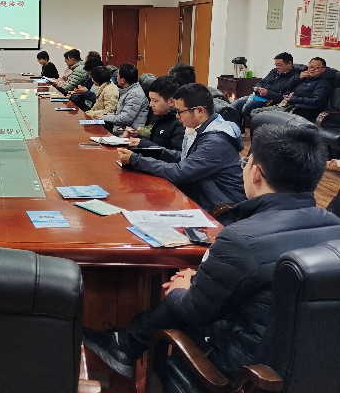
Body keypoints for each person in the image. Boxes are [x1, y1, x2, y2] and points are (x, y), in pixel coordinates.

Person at [84, 124, 340, 381]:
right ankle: (124, 344)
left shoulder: (241, 238)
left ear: (256, 174)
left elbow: (193, 310)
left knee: (183, 297)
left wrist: (182, 289)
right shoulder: (334, 226)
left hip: (243, 373)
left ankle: (125, 347)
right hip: (314, 368)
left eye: (245, 163)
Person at [118, 83, 246, 210]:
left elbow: (179, 173)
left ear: (200, 111)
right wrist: (148, 152)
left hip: (217, 206)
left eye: (180, 112)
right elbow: (186, 157)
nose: (177, 116)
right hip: (201, 195)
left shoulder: (215, 142)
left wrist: (136, 160)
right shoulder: (203, 128)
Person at [125, 76, 185, 159]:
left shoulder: (181, 123)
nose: (151, 104)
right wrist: (137, 137)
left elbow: (177, 157)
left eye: (155, 101)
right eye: (150, 100)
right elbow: (156, 142)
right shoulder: (161, 117)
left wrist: (143, 144)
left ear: (171, 102)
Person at [231, 52, 299, 122]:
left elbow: (285, 96)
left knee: (246, 108)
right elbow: (262, 81)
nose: (277, 67)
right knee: (235, 105)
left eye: (279, 65)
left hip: (269, 99)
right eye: (276, 65)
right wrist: (258, 87)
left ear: (289, 63)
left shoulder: (295, 78)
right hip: (258, 95)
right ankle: (237, 127)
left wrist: (267, 93)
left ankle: (249, 125)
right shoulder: (274, 71)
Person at [274, 56, 332, 122]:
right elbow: (288, 87)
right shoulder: (306, 77)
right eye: (310, 67)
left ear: (323, 69)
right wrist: (299, 77)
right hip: (291, 105)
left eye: (317, 68)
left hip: (305, 110)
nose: (312, 69)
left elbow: (316, 100)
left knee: (272, 118)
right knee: (264, 113)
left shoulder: (324, 83)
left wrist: (292, 99)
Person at [101, 63, 148, 131]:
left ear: (123, 80)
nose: (116, 77)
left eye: (118, 75)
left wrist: (103, 117)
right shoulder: (128, 90)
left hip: (129, 132)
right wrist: (105, 116)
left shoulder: (135, 95)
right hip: (121, 127)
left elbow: (125, 119)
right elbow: (120, 114)